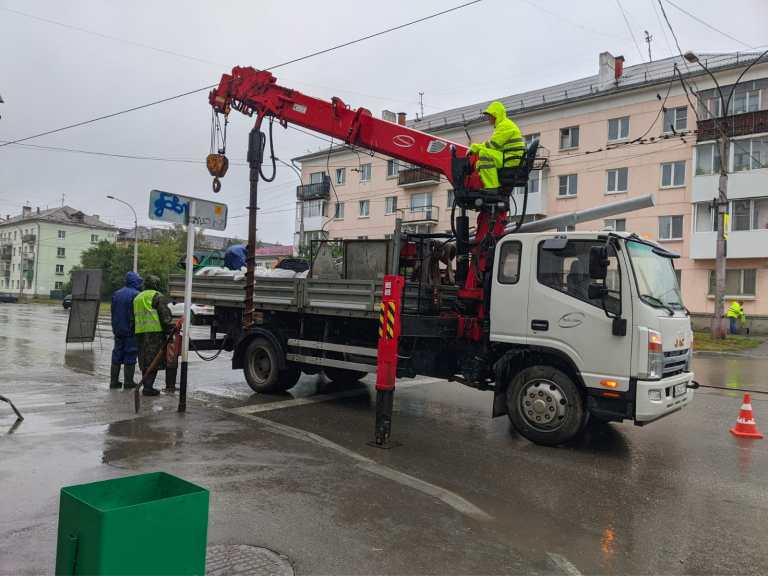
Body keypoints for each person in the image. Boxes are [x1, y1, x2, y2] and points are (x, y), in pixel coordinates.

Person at [133, 275, 178, 396]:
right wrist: (170, 330)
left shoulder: (138, 297)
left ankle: (147, 385)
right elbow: (165, 316)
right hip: (154, 333)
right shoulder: (156, 296)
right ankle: (148, 387)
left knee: (144, 359)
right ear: (156, 284)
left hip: (140, 332)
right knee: (154, 359)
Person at [468, 101, 526, 189]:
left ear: (495, 115)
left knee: (484, 153)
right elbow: (495, 147)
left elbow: (492, 145)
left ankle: (492, 188)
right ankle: (488, 186)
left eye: (489, 115)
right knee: (480, 163)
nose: (488, 118)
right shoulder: (504, 125)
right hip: (509, 157)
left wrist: (474, 147)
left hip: (511, 159)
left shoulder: (504, 126)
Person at [110, 271, 143, 389]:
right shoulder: (136, 294)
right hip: (130, 331)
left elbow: (113, 311)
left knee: (117, 354)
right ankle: (128, 382)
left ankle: (114, 381)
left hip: (118, 329)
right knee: (130, 353)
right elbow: (136, 314)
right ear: (135, 281)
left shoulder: (116, 293)